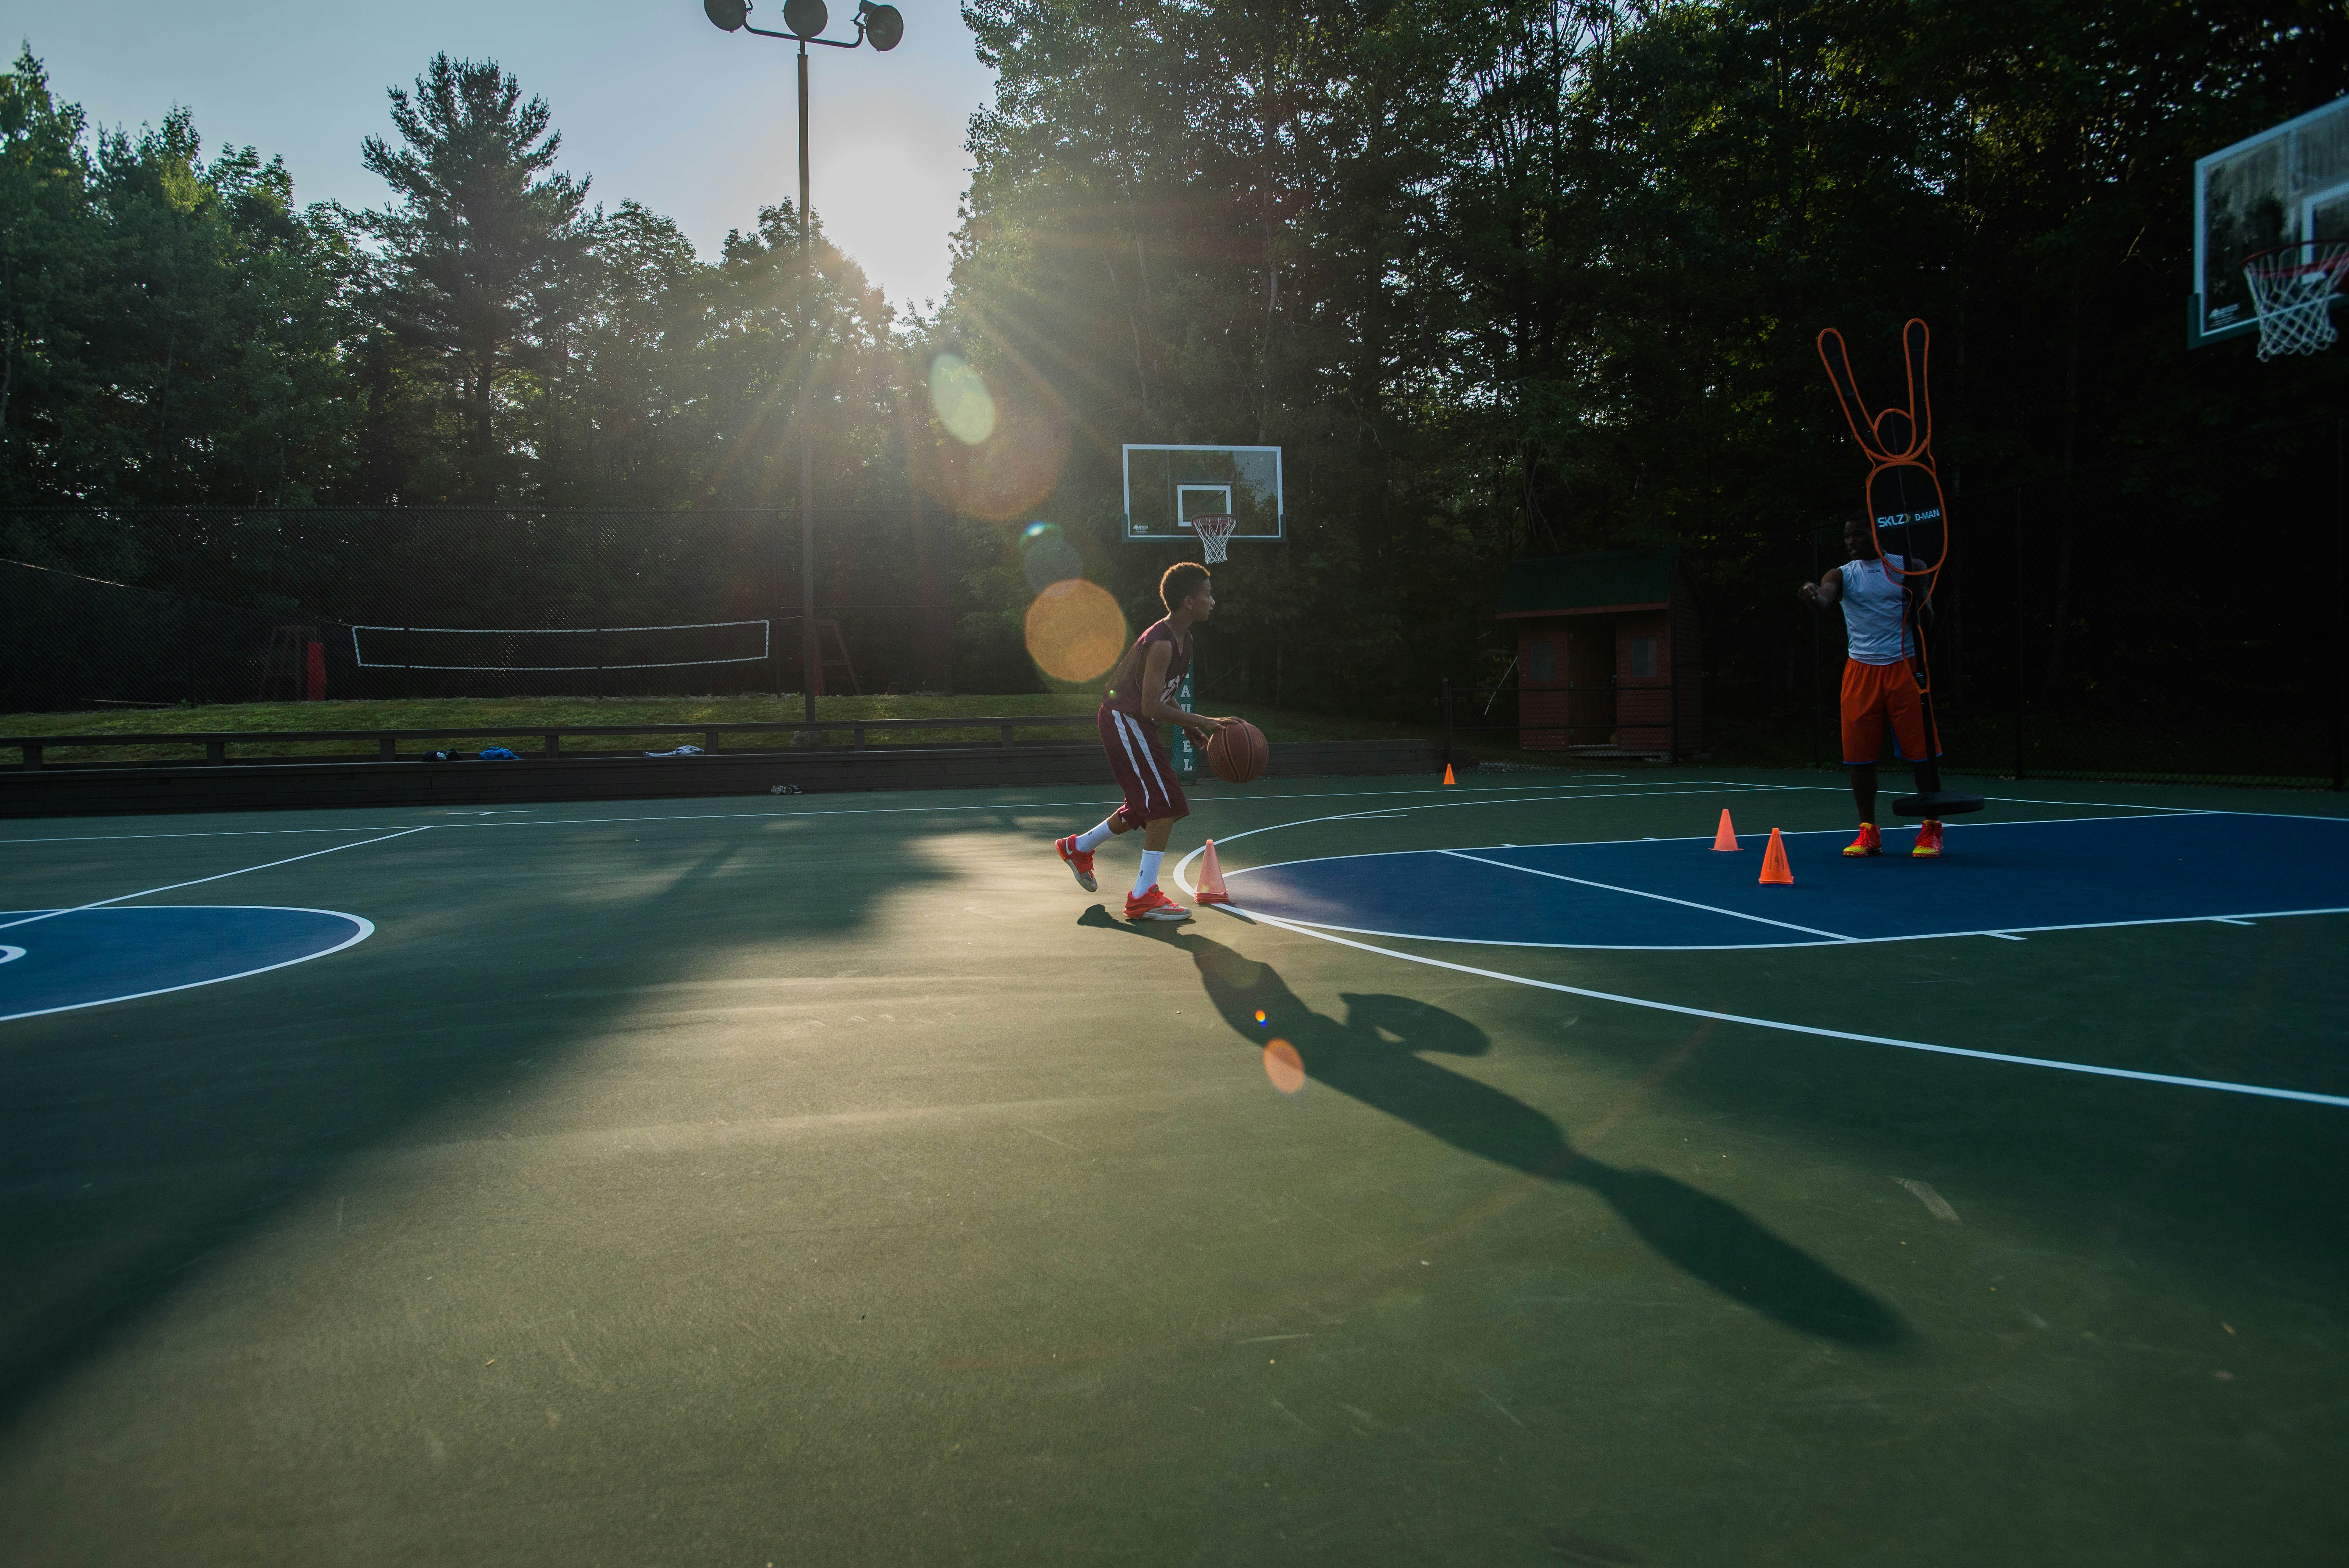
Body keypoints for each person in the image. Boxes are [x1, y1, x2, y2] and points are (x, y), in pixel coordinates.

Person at [1056, 562, 1235, 920]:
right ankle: (1143, 896)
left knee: (1145, 806)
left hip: (1136, 720)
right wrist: (1204, 720)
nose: (1213, 601)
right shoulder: (1162, 643)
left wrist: (1186, 726)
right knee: (1166, 803)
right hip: (1125, 719)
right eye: (1208, 595)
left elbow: (1161, 695)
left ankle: (1078, 848)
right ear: (1188, 601)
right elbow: (1149, 704)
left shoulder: (1185, 640)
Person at [1799, 511, 1944, 858]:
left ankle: (1931, 830)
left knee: (1922, 756)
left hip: (1904, 668)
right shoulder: (1841, 575)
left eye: (1859, 535)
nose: (1851, 542)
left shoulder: (1909, 566)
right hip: (1861, 671)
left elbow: (1929, 618)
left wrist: (1917, 590)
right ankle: (1869, 833)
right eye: (1848, 537)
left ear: (1877, 536)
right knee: (1860, 760)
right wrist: (1811, 595)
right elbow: (1824, 600)